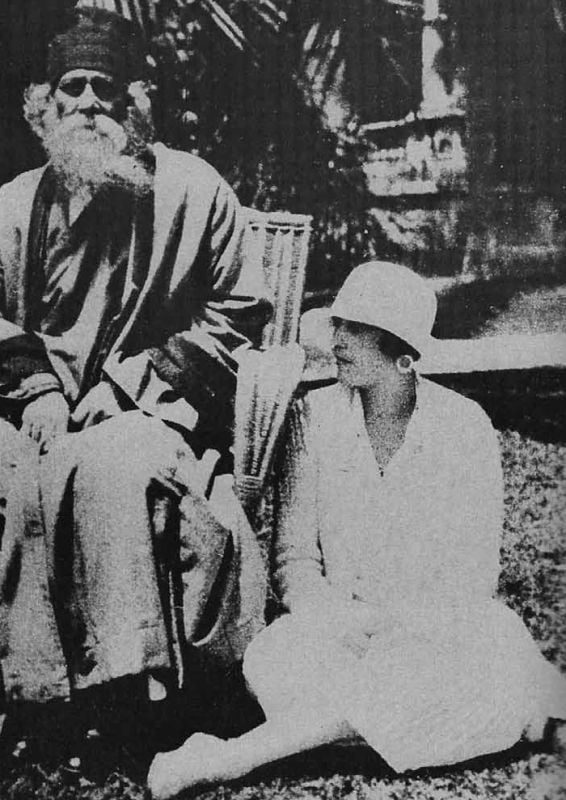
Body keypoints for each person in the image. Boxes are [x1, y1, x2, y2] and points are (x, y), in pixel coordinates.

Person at [148, 261, 566, 798]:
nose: (336, 341)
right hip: (333, 633)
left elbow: (474, 572)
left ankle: (236, 757)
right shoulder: (312, 417)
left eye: (354, 330)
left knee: (491, 642)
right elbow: (294, 562)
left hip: (434, 632)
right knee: (272, 659)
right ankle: (423, 724)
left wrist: (399, 625)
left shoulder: (465, 427)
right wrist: (339, 621)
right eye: (337, 326)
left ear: (403, 356)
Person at [0, 6, 269, 741]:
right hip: (35, 410)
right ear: (45, 107)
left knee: (116, 464)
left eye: (105, 89)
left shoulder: (196, 190)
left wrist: (123, 390)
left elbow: (238, 314)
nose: (88, 103)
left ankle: (125, 698)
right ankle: (30, 694)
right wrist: (39, 392)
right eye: (73, 88)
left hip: (157, 414)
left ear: (136, 103)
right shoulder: (14, 205)